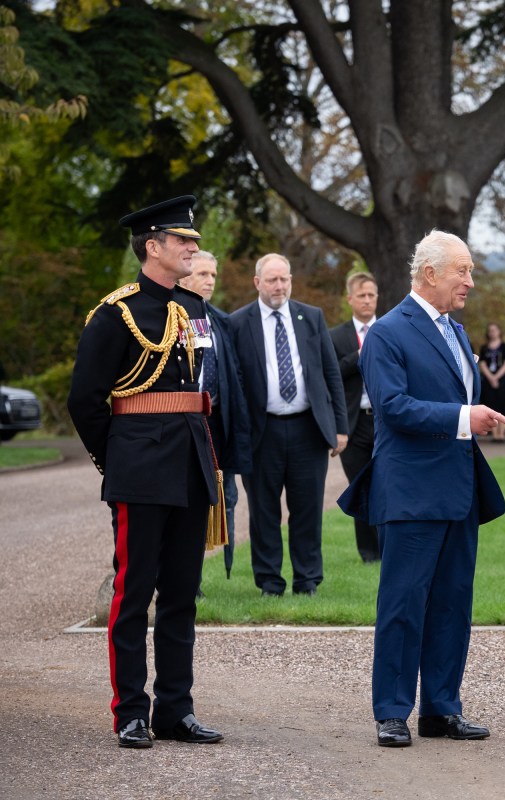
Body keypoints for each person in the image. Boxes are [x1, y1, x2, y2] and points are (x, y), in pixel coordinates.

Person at [336, 230, 505, 748]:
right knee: (403, 603)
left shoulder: (457, 331)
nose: (470, 282)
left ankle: (442, 709)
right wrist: (464, 417)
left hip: (458, 491)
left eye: (471, 271)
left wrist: (467, 416)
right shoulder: (388, 332)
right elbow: (391, 407)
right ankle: (392, 711)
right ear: (429, 273)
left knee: (454, 602)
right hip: (410, 493)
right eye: (463, 271)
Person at [67, 195, 225, 748]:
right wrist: (118, 462)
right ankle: (131, 710)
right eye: (182, 240)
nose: (193, 247)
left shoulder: (195, 309)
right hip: (140, 468)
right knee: (134, 595)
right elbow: (85, 400)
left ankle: (175, 710)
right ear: (151, 246)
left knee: (182, 595)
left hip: (189, 465)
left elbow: (204, 392)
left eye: (193, 241)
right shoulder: (116, 314)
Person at [229, 253, 348, 597]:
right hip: (260, 432)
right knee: (263, 511)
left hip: (307, 430)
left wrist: (340, 427)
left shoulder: (310, 317)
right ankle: (269, 582)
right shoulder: (238, 323)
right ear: (257, 283)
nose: (279, 286)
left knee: (307, 509)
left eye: (284, 279)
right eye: (272, 280)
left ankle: (307, 580)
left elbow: (330, 374)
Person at [178, 251, 252, 579]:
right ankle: (183, 577)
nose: (209, 281)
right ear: (183, 276)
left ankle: (223, 569)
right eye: (202, 274)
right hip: (181, 423)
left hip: (217, 424)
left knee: (225, 497)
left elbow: (233, 374)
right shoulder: (171, 316)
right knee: (186, 501)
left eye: (213, 275)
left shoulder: (221, 321)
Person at [329, 271, 381, 563]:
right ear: (350, 299)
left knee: (386, 485)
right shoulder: (336, 336)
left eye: (371, 295)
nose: (367, 300)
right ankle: (369, 553)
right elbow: (330, 374)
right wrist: (359, 356)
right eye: (361, 295)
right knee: (361, 486)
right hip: (353, 421)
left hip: (385, 420)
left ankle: (389, 547)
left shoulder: (389, 329)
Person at [477, 322, 505, 441]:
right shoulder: (484, 348)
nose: (492, 333)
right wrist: (491, 378)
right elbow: (482, 363)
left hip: (502, 380)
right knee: (490, 404)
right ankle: (494, 434)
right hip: (488, 380)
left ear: (499, 332)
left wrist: (497, 377)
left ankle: (501, 434)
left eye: (494, 330)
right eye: (490, 331)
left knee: (502, 404)